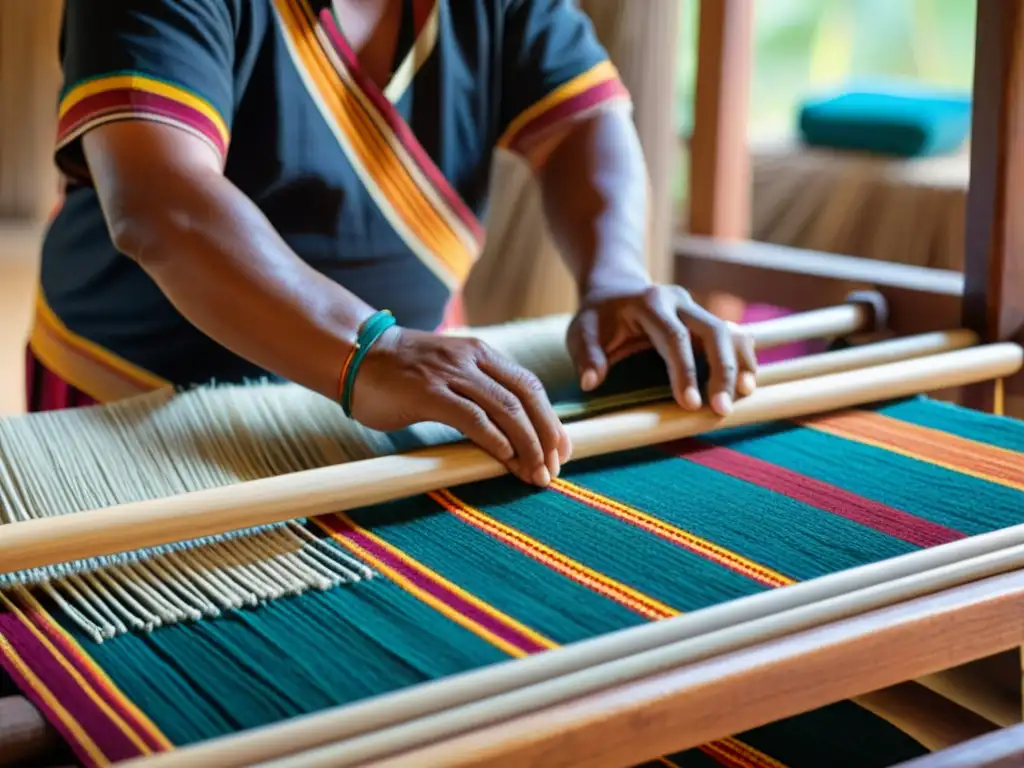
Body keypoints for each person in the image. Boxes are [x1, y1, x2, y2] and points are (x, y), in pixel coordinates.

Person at [28, 0, 759, 490]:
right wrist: (366, 350)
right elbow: (162, 206)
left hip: (399, 397)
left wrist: (615, 277)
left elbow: (581, 123)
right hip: (137, 411)